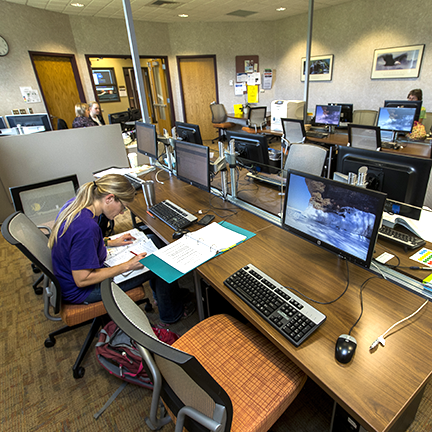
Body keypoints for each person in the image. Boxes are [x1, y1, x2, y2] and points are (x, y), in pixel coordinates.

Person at [48, 174, 191, 325]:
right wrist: (127, 266)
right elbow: (82, 279)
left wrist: (110, 242)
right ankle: (172, 315)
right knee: (159, 263)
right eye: (122, 207)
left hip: (67, 275)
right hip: (83, 291)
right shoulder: (87, 228)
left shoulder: (77, 204)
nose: (122, 213)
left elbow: (75, 244)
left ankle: (164, 298)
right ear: (109, 198)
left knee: (153, 240)